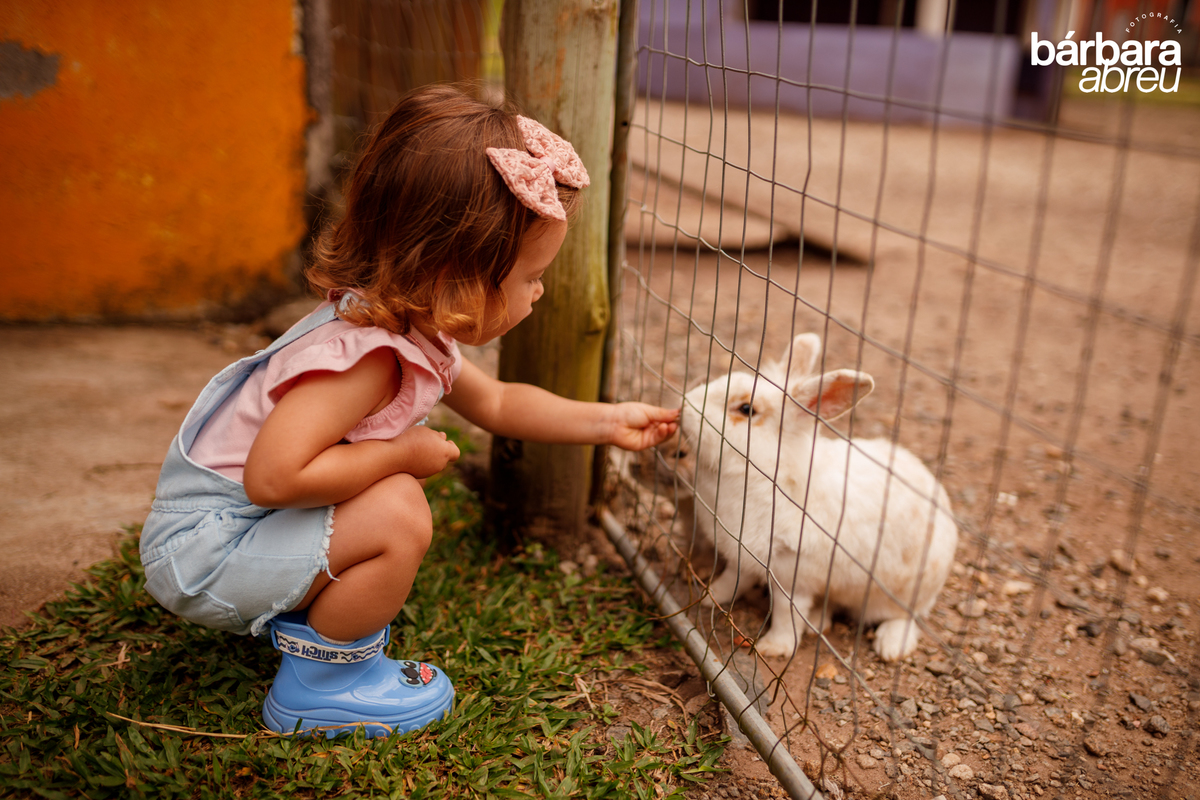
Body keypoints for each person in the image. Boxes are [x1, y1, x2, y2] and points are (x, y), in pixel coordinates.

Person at [140, 84, 679, 739]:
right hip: (203, 554)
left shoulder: (409, 324)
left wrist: (606, 421)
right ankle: (322, 687)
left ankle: (305, 609)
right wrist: (402, 454)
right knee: (398, 508)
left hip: (239, 530)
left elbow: (501, 403)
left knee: (390, 497)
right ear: (456, 273)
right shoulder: (366, 359)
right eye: (529, 277)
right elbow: (272, 480)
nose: (539, 292)